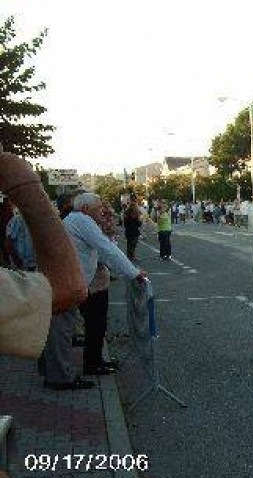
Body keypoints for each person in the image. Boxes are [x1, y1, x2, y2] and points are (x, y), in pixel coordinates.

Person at [40, 193, 147, 390]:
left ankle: (57, 372)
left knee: (62, 330)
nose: (103, 211)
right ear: (86, 209)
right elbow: (106, 248)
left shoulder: (77, 220)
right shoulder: (82, 220)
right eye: (99, 208)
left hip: (69, 281)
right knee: (61, 331)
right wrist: (133, 273)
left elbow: (100, 252)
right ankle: (60, 378)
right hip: (67, 283)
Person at [0, 154, 87, 359]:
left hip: (29, 270)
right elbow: (68, 288)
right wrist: (23, 181)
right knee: (56, 328)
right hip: (36, 271)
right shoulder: (22, 217)